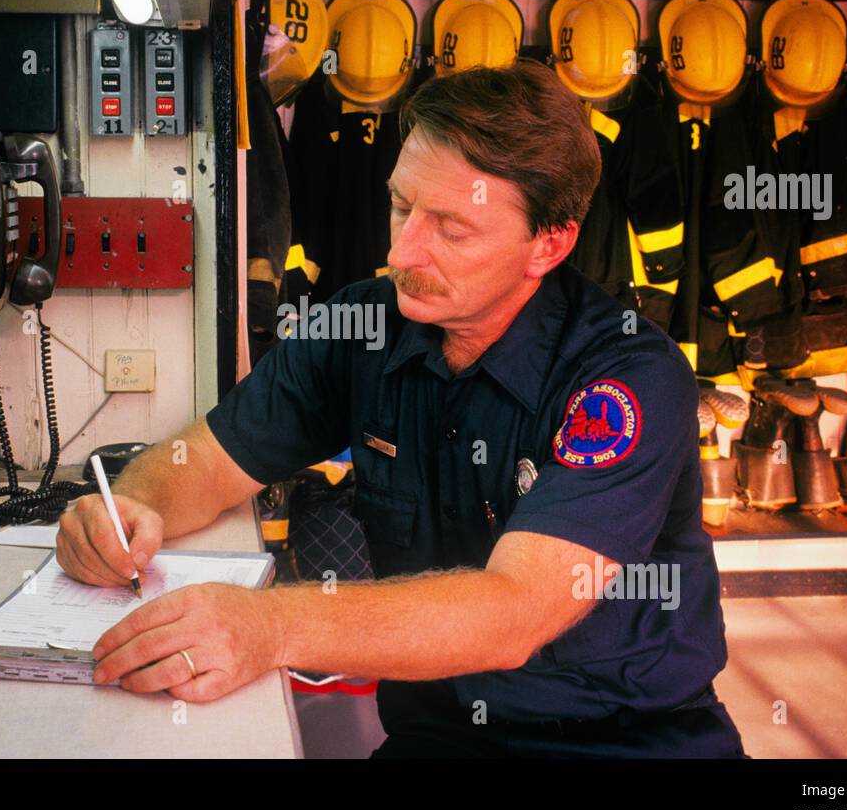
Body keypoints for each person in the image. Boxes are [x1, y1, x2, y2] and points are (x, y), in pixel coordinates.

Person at [57, 60, 746, 758]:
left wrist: (268, 627)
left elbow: (515, 610)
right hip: (437, 733)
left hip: (628, 742)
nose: (401, 250)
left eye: (451, 228)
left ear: (551, 242)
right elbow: (207, 459)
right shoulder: (362, 326)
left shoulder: (627, 377)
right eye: (401, 206)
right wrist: (133, 508)